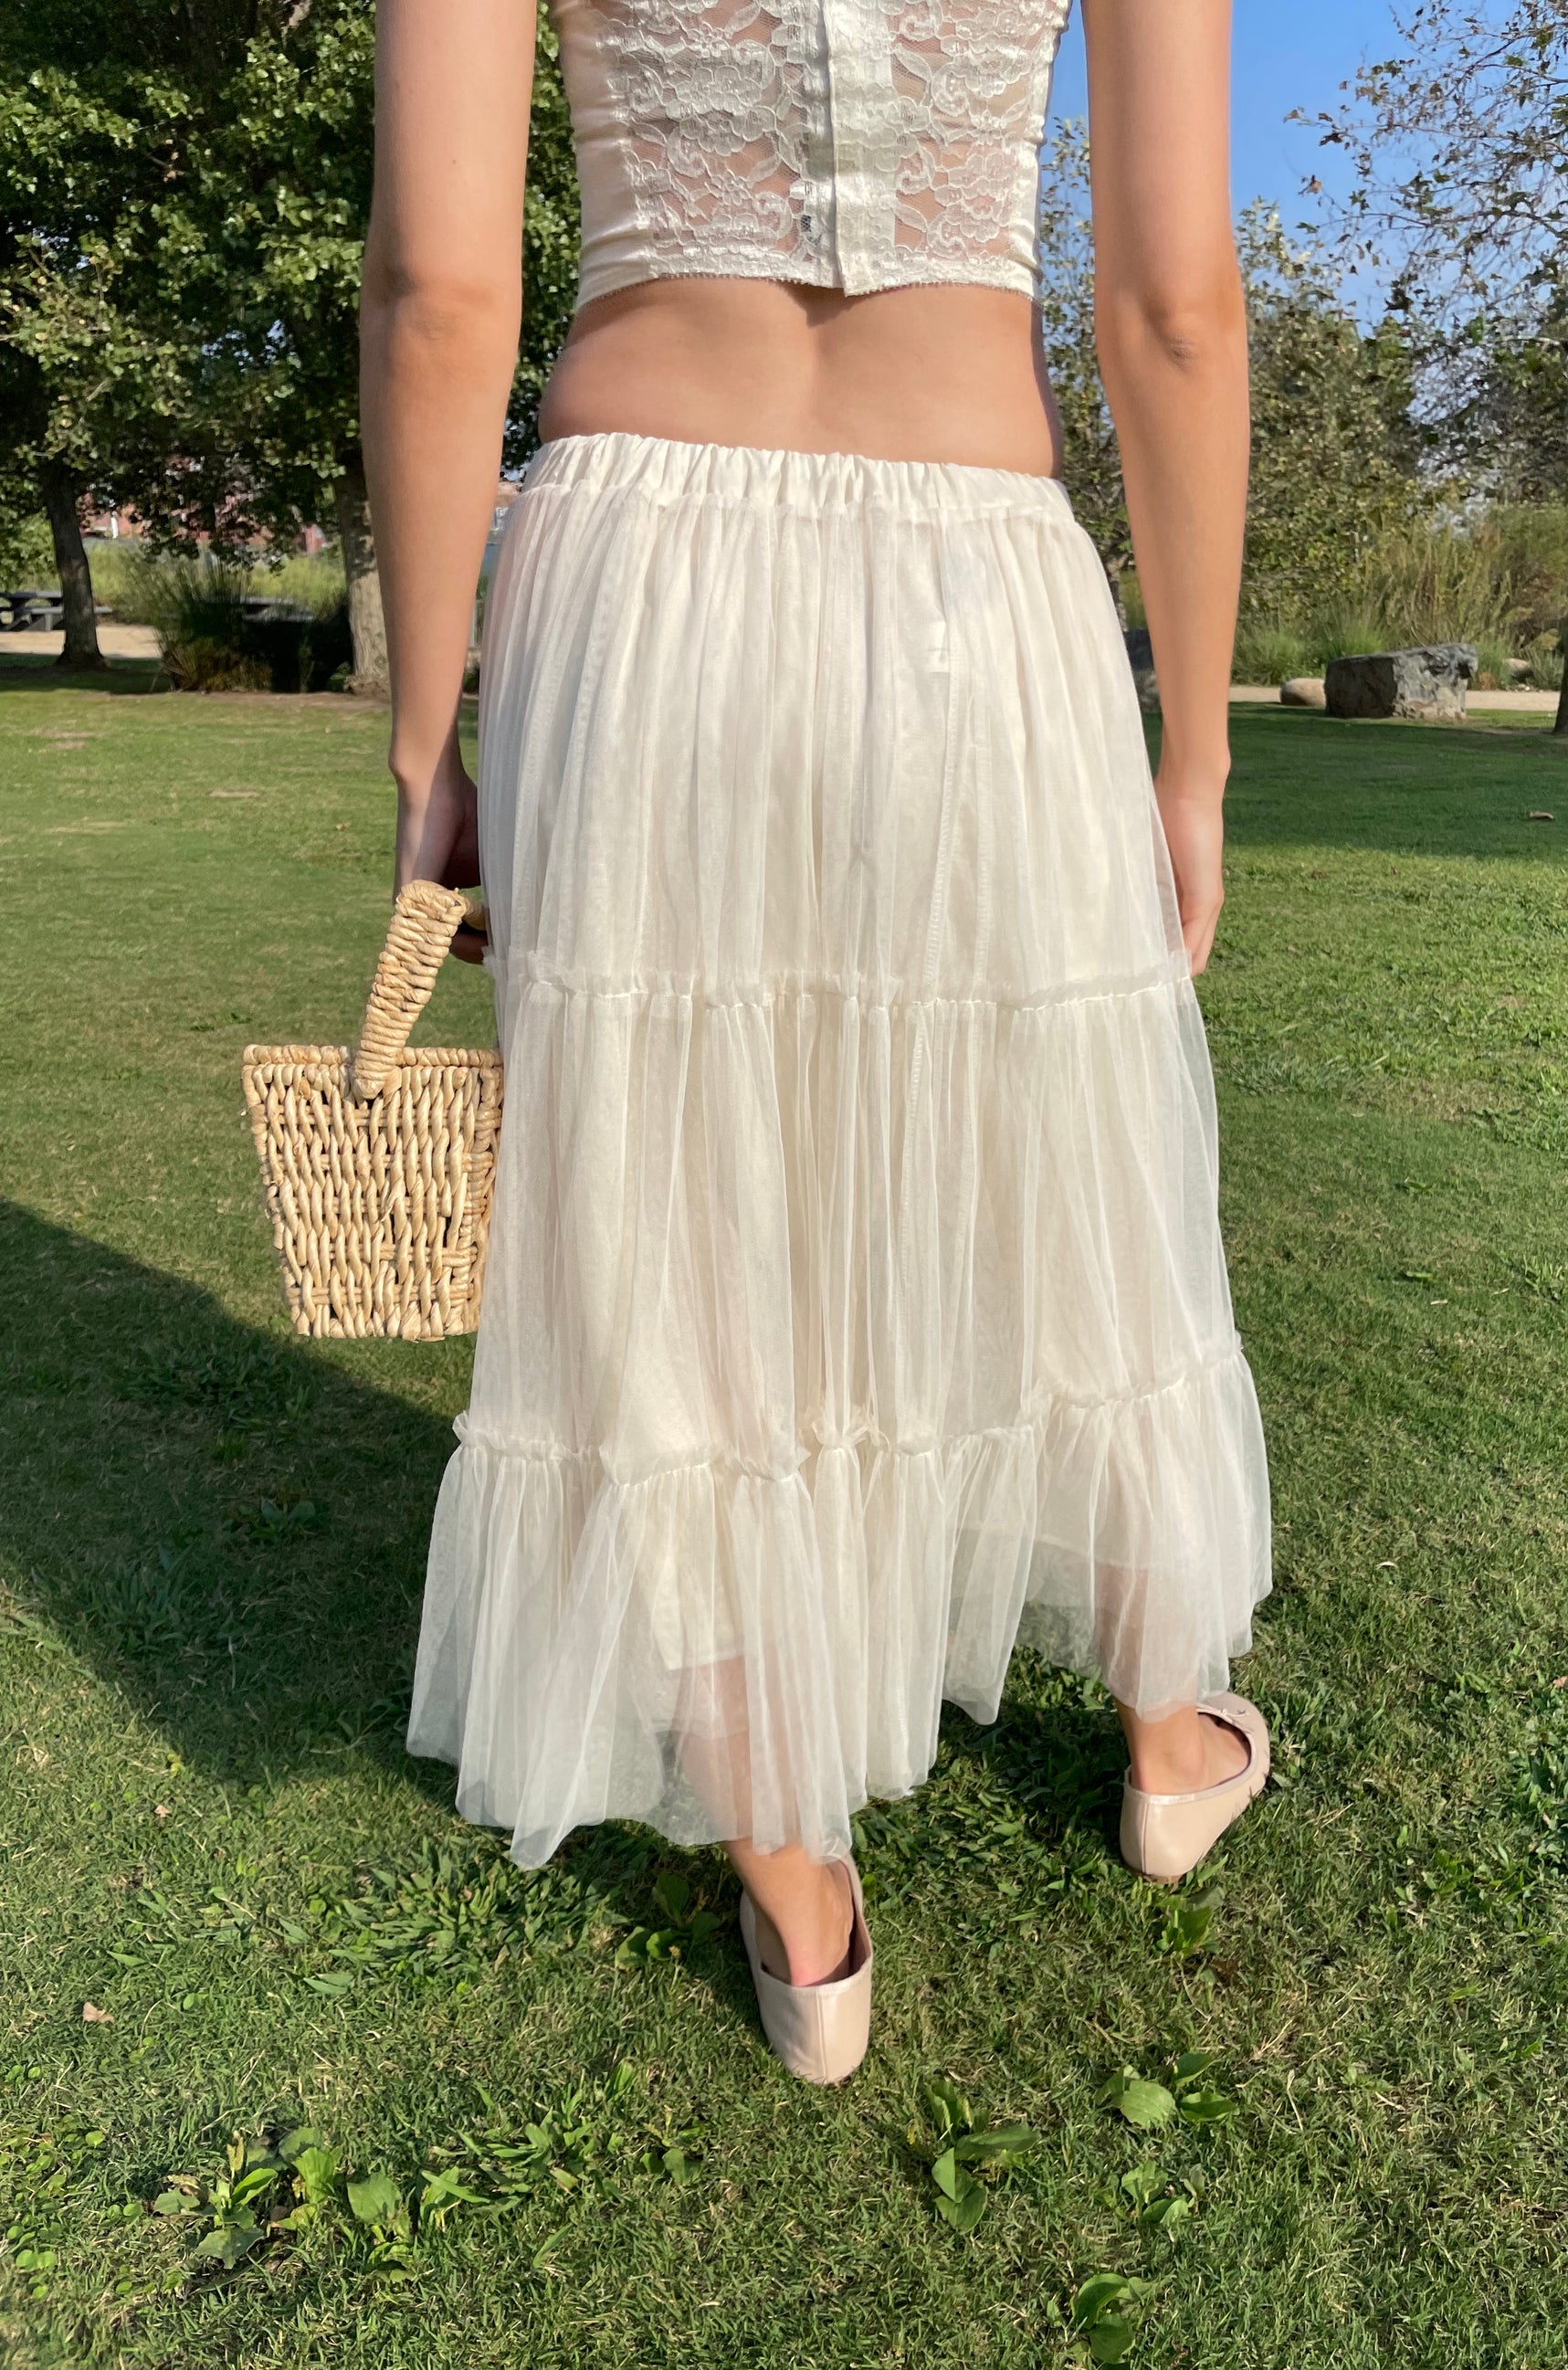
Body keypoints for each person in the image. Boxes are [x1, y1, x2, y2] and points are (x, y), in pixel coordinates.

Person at [366, 0, 1271, 2086]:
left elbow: (436, 291)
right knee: (1053, 1162)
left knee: (662, 1220)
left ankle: (797, 1889)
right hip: (982, 576)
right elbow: (1177, 303)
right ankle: (1162, 1723)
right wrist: (1196, 750)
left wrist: (430, 735)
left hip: (633, 568)